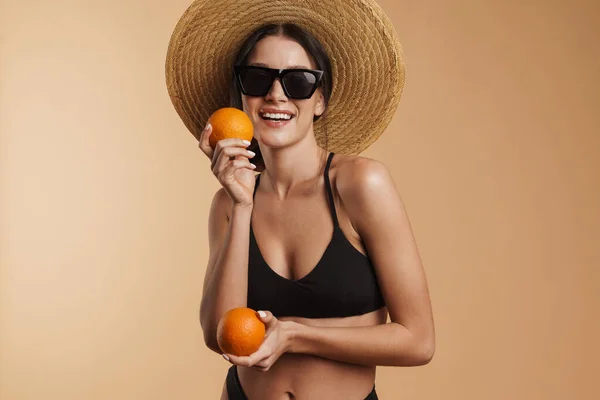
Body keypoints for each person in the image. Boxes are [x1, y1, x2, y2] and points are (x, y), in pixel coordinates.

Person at [165, 1, 435, 399]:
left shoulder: (360, 184)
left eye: (298, 81)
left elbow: (419, 341)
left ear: (321, 99)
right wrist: (241, 205)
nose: (276, 95)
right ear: (241, 97)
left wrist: (295, 336)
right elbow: (219, 335)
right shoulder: (228, 203)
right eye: (257, 78)